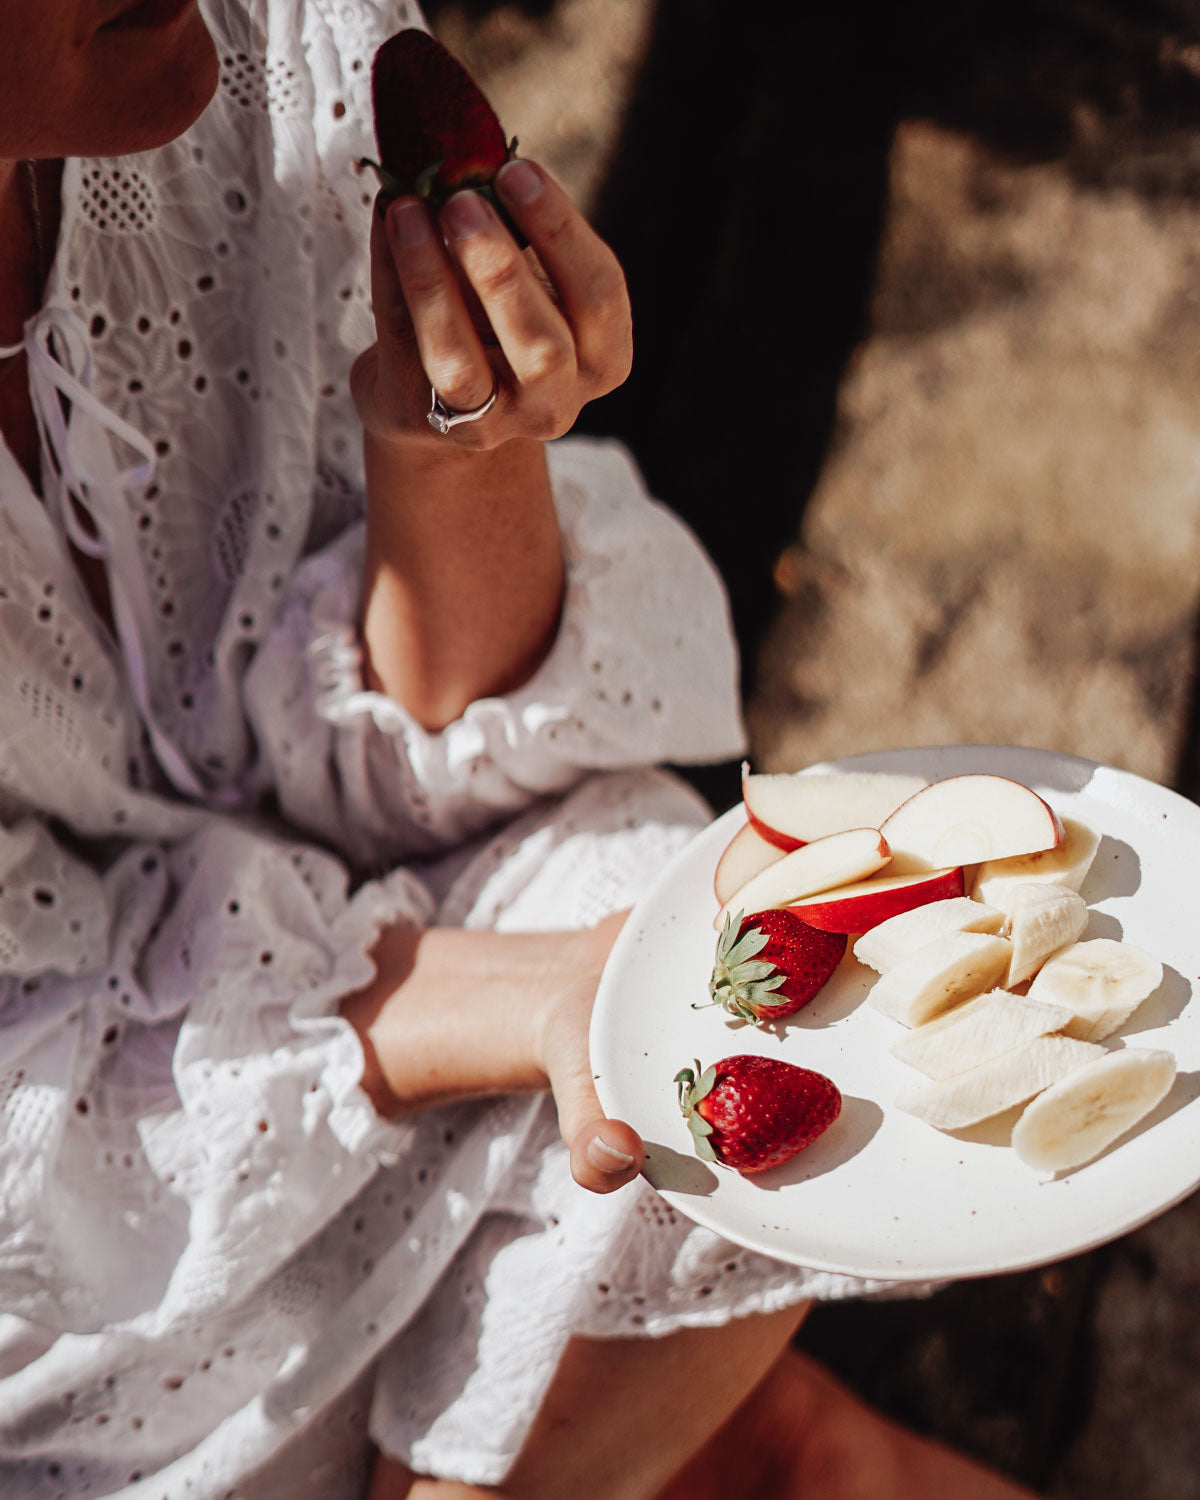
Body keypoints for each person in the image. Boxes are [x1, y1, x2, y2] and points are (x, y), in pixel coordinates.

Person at [0, 3, 1047, 1498]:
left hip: (340, 960)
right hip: (93, 1226)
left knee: (708, 1026)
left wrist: (452, 445)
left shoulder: (257, 44)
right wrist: (546, 998)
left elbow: (433, 731)